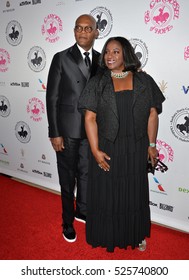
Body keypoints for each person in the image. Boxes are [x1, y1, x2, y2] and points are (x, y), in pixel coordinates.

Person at [78, 36, 165, 252]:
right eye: (107, 51)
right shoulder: (97, 82)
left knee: (134, 193)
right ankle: (108, 235)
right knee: (108, 194)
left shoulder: (144, 81)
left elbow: (153, 114)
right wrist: (95, 150)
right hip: (108, 146)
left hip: (136, 147)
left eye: (115, 51)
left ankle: (135, 235)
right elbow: (89, 118)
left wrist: (152, 144)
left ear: (126, 53)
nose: (109, 56)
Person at [46, 14, 100, 242]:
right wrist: (54, 132)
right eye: (79, 28)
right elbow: (52, 98)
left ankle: (83, 211)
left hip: (91, 132)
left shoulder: (100, 59)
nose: (83, 32)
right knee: (67, 179)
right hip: (67, 132)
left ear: (96, 32)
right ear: (74, 31)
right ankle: (67, 222)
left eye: (88, 28)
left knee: (87, 176)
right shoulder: (61, 58)